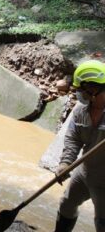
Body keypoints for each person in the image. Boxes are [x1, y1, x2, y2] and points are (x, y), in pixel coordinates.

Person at [54, 60, 105, 232]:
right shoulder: (81, 112)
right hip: (84, 172)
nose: (79, 93)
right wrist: (65, 164)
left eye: (81, 89)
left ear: (94, 88)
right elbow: (73, 140)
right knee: (67, 205)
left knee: (102, 222)